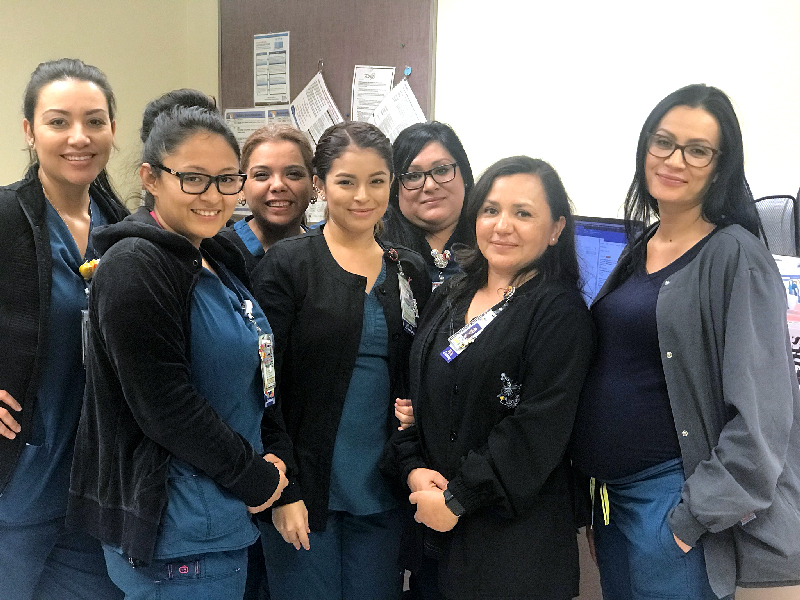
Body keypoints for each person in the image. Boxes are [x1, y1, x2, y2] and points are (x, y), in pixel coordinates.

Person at [570, 83, 800, 600]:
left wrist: (690, 518)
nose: (674, 159)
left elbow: (764, 415)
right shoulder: (641, 247)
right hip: (612, 503)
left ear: (719, 167)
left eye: (697, 150)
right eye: (663, 141)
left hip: (670, 505)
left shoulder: (736, 255)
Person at [66, 90, 289, 599]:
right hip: (177, 533)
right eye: (192, 178)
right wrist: (253, 477)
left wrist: (271, 458)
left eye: (227, 180)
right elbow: (163, 403)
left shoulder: (215, 256)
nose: (213, 195)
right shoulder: (136, 267)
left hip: (220, 513)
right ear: (151, 178)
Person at [391, 156, 594, 600]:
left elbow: (535, 431)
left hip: (512, 552)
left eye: (523, 213)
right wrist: (413, 470)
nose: (502, 225)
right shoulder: (449, 294)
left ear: (556, 229)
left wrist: (458, 498)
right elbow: (412, 400)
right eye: (490, 210)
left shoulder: (559, 314)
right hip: (436, 536)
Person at [251, 121, 431, 600]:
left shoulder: (408, 269)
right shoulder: (288, 266)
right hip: (305, 489)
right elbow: (263, 386)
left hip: (383, 489)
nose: (362, 196)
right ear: (320, 185)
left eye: (377, 181)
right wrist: (282, 489)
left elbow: (421, 370)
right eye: (346, 182)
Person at [0, 58, 128, 600]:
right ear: (29, 131)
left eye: (95, 121)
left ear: (112, 131)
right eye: (58, 121)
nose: (79, 137)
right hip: (19, 484)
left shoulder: (124, 229)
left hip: (98, 493)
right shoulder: (6, 216)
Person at [381, 122, 474, 287]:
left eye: (442, 170)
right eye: (413, 176)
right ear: (395, 188)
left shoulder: (492, 242)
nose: (430, 186)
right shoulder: (374, 247)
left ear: (464, 175)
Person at [218, 124, 315, 274]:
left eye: (293, 174)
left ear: (314, 185)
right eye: (261, 175)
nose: (278, 185)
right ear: (241, 187)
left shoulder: (329, 253)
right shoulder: (218, 253)